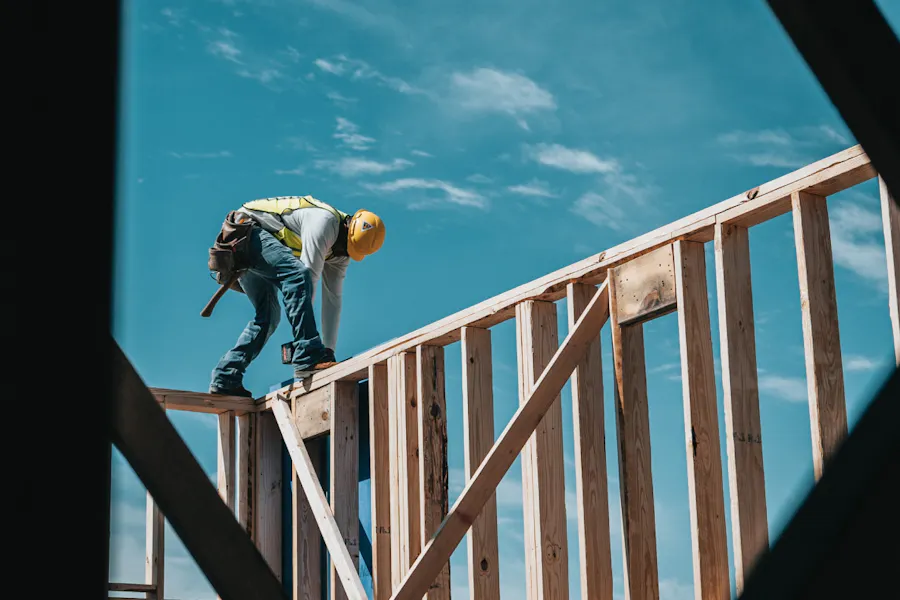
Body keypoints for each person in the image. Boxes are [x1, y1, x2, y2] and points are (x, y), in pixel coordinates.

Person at [209, 195, 385, 397]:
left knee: (268, 317)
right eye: (345, 247)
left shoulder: (340, 253)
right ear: (347, 227)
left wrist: (328, 351)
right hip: (244, 232)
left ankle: (226, 377)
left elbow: (333, 300)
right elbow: (306, 279)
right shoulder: (324, 222)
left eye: (348, 251)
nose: (342, 253)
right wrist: (309, 350)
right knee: (298, 275)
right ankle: (307, 354)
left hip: (253, 243)